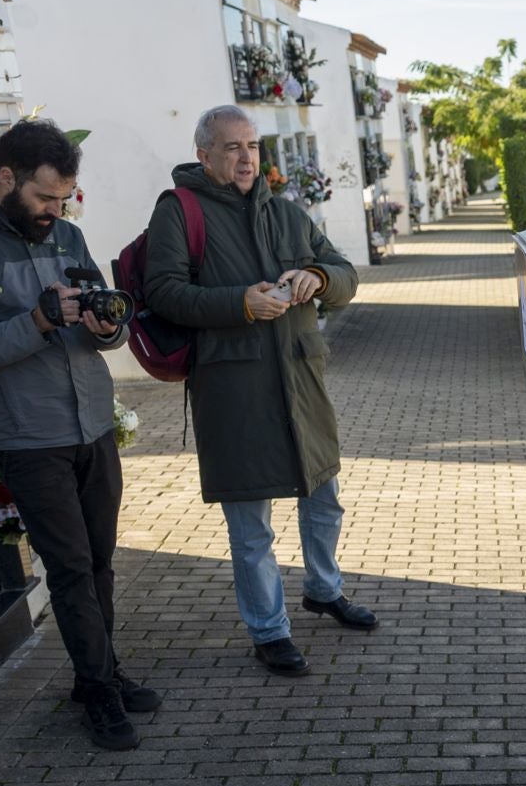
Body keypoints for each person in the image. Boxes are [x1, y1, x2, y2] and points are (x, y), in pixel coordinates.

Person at [0, 119, 158, 751]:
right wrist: (35, 320)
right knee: (71, 568)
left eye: (64, 199)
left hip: (91, 422)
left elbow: (91, 320)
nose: (55, 212)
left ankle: (100, 675)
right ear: (6, 178)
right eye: (45, 199)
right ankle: (99, 692)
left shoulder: (70, 234)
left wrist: (107, 324)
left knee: (103, 563)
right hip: (28, 436)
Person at [142, 106, 364, 676]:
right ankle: (269, 630)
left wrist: (319, 277)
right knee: (251, 524)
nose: (246, 157)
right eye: (232, 147)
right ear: (204, 155)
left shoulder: (286, 213)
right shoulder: (179, 211)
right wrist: (239, 303)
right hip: (232, 387)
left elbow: (345, 273)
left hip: (301, 380)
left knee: (323, 497)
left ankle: (324, 588)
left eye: (252, 146)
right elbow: (163, 292)